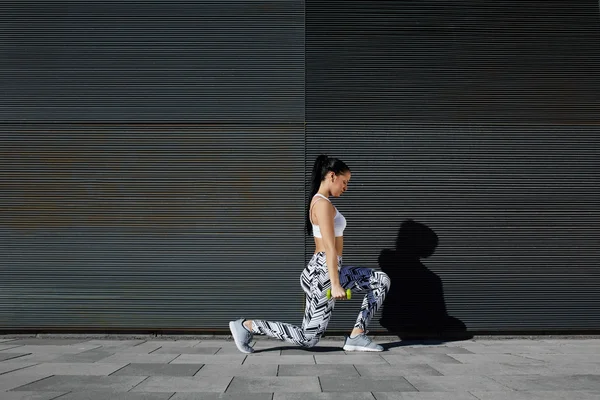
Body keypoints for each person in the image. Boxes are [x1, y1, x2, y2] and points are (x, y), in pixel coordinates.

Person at [229, 154, 391, 353]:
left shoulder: (323, 202)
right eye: (344, 182)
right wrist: (335, 283)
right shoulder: (322, 204)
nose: (345, 187)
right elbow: (329, 247)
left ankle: (357, 335)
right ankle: (247, 326)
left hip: (329, 269)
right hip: (323, 273)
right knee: (308, 339)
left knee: (380, 280)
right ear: (332, 176)